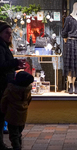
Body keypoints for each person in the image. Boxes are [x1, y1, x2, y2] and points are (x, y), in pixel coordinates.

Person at [0, 20, 26, 150]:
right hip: (2, 85)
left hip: (5, 84)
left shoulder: (4, 46)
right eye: (6, 33)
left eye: (10, 33)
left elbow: (6, 66)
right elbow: (1, 66)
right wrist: (15, 62)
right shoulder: (0, 47)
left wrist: (15, 65)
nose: (9, 35)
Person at [1, 71, 34, 150]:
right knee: (19, 132)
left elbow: (4, 100)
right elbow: (29, 100)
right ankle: (19, 145)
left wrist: (3, 110)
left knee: (13, 134)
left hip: (12, 114)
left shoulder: (11, 89)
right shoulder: (27, 90)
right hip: (23, 114)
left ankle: (16, 147)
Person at [62, 2, 77, 94]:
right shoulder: (69, 18)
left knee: (76, 65)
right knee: (70, 65)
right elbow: (64, 31)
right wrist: (66, 39)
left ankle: (74, 85)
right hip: (71, 42)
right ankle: (70, 85)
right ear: (75, 7)